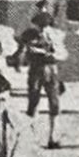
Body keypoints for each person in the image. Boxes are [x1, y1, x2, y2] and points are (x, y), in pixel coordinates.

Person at [15, 11, 65, 149]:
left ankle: (53, 137)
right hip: (36, 70)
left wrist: (45, 52)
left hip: (51, 69)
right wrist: (20, 63)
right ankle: (30, 138)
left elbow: (62, 54)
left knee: (54, 103)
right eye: (39, 26)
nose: (42, 29)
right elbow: (21, 50)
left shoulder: (55, 35)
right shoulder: (29, 34)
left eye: (45, 26)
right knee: (33, 102)